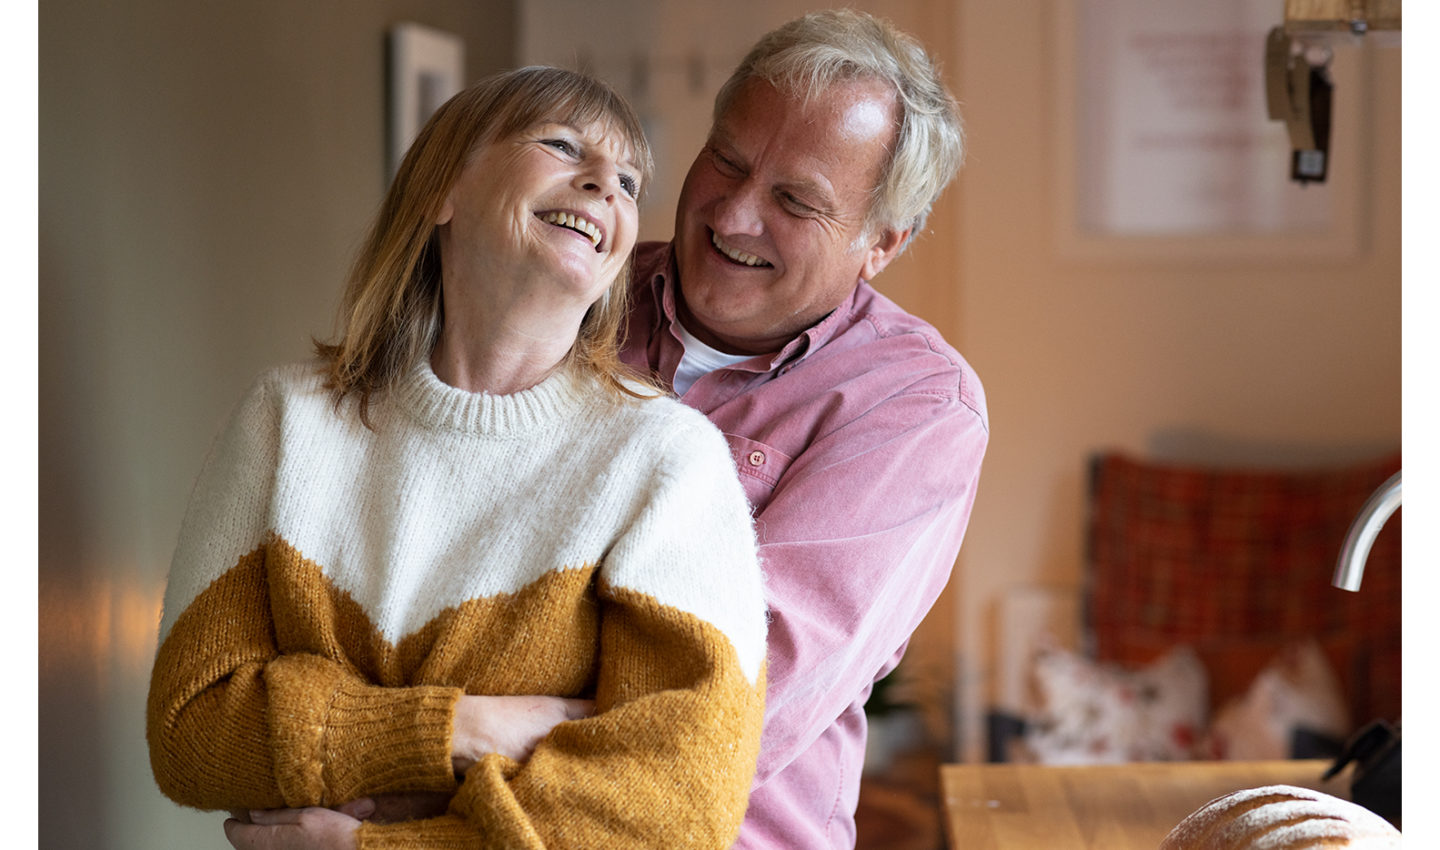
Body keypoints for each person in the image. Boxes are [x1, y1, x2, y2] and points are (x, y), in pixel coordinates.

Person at [146, 66, 768, 850]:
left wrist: (362, 842)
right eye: (562, 145)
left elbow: (673, 804)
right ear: (442, 189)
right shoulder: (285, 423)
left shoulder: (667, 464)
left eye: (628, 181)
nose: (604, 186)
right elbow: (192, 730)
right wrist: (465, 731)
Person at [618, 11, 988, 848]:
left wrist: (474, 725)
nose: (734, 216)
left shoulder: (915, 406)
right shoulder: (578, 298)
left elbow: (734, 702)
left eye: (794, 201)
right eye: (727, 160)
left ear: (882, 241)